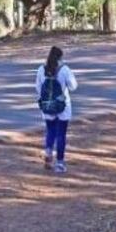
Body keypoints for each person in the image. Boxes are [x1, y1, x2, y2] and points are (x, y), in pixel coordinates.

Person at [36, 46, 78, 174]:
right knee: (61, 134)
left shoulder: (41, 69)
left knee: (50, 130)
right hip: (63, 105)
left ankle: (48, 153)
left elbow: (38, 88)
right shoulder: (64, 69)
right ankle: (60, 163)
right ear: (60, 57)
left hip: (47, 105)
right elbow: (73, 86)